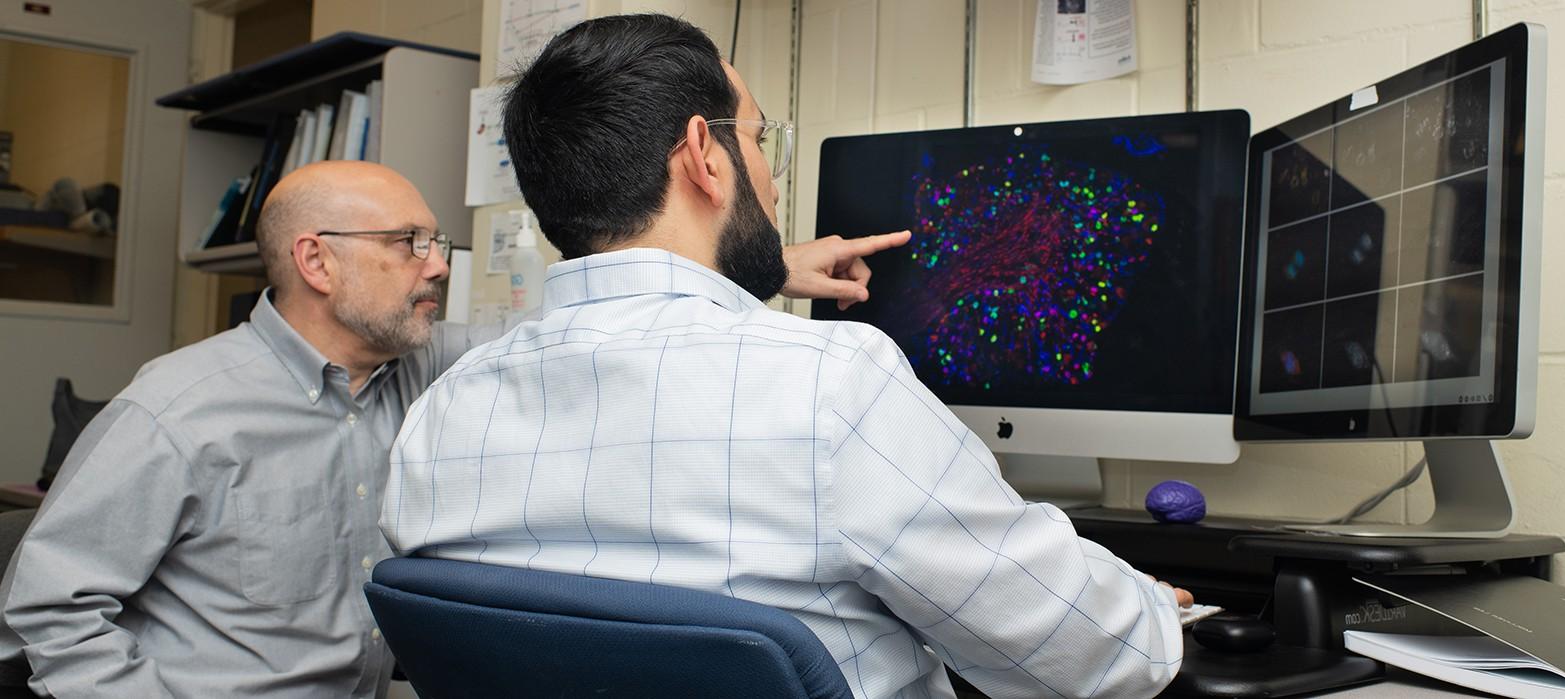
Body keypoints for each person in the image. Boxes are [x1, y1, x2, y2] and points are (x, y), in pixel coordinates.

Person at [383, 13, 1191, 699]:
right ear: (704, 155)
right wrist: (1156, 612)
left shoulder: (443, 414)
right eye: (761, 141)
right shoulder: (832, 384)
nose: (770, 181)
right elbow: (1083, 654)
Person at [0, 159, 901, 698]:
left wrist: (773, 267)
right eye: (410, 245)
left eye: (438, 244)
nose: (438, 268)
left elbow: (592, 323)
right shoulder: (178, 410)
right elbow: (45, 608)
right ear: (316, 260)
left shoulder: (426, 364)